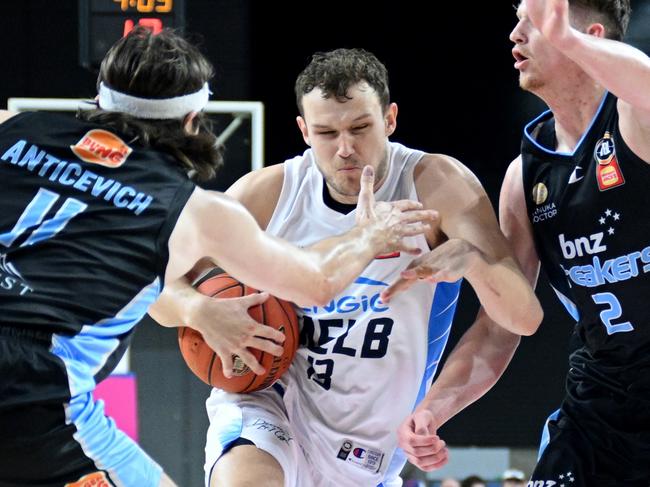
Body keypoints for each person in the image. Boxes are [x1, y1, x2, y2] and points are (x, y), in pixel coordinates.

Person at [0, 29, 437, 487]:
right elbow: (317, 281)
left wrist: (195, 307)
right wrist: (369, 234)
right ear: (193, 118)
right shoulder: (195, 210)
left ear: (98, 98)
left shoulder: (12, 126)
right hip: (35, 394)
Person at [151, 48, 542, 487]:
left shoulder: (438, 186)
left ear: (390, 119)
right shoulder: (268, 195)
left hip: (369, 452)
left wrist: (473, 262)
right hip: (270, 402)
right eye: (325, 133)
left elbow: (520, 318)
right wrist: (197, 311)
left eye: (360, 128)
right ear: (303, 130)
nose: (345, 149)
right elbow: (151, 283)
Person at [398, 0, 650, 486]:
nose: (515, 34)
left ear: (592, 35)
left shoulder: (634, 123)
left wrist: (572, 42)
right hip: (598, 413)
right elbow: (501, 325)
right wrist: (432, 408)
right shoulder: (524, 176)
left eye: (532, 24)